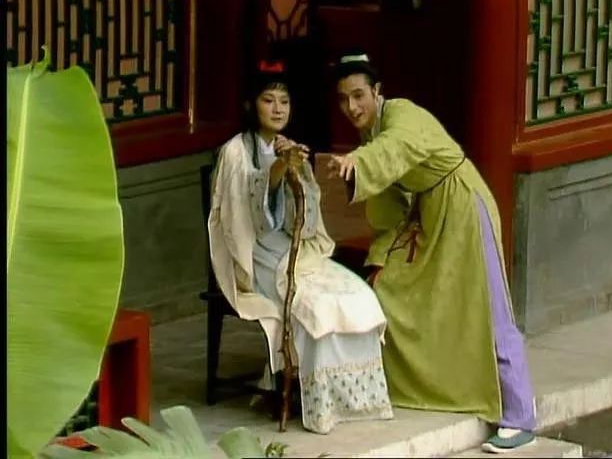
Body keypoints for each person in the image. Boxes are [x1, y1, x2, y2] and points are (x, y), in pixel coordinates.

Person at [327, 52, 537, 453]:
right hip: (430, 216)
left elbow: (395, 147)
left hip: (463, 206)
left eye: (358, 95)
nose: (352, 107)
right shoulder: (371, 135)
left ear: (377, 92)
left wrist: (359, 160)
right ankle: (438, 386)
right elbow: (390, 201)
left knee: (489, 307)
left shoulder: (401, 115)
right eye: (343, 99)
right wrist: (384, 253)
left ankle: (520, 415)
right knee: (394, 290)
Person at [207, 60, 394, 435]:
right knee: (317, 306)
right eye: (268, 100)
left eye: (284, 101)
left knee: (356, 294)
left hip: (294, 249)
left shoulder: (289, 147)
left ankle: (354, 399)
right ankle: (320, 403)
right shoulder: (235, 152)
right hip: (254, 254)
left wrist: (296, 170)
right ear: (251, 105)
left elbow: (304, 217)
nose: (278, 109)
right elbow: (248, 217)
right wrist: (277, 170)